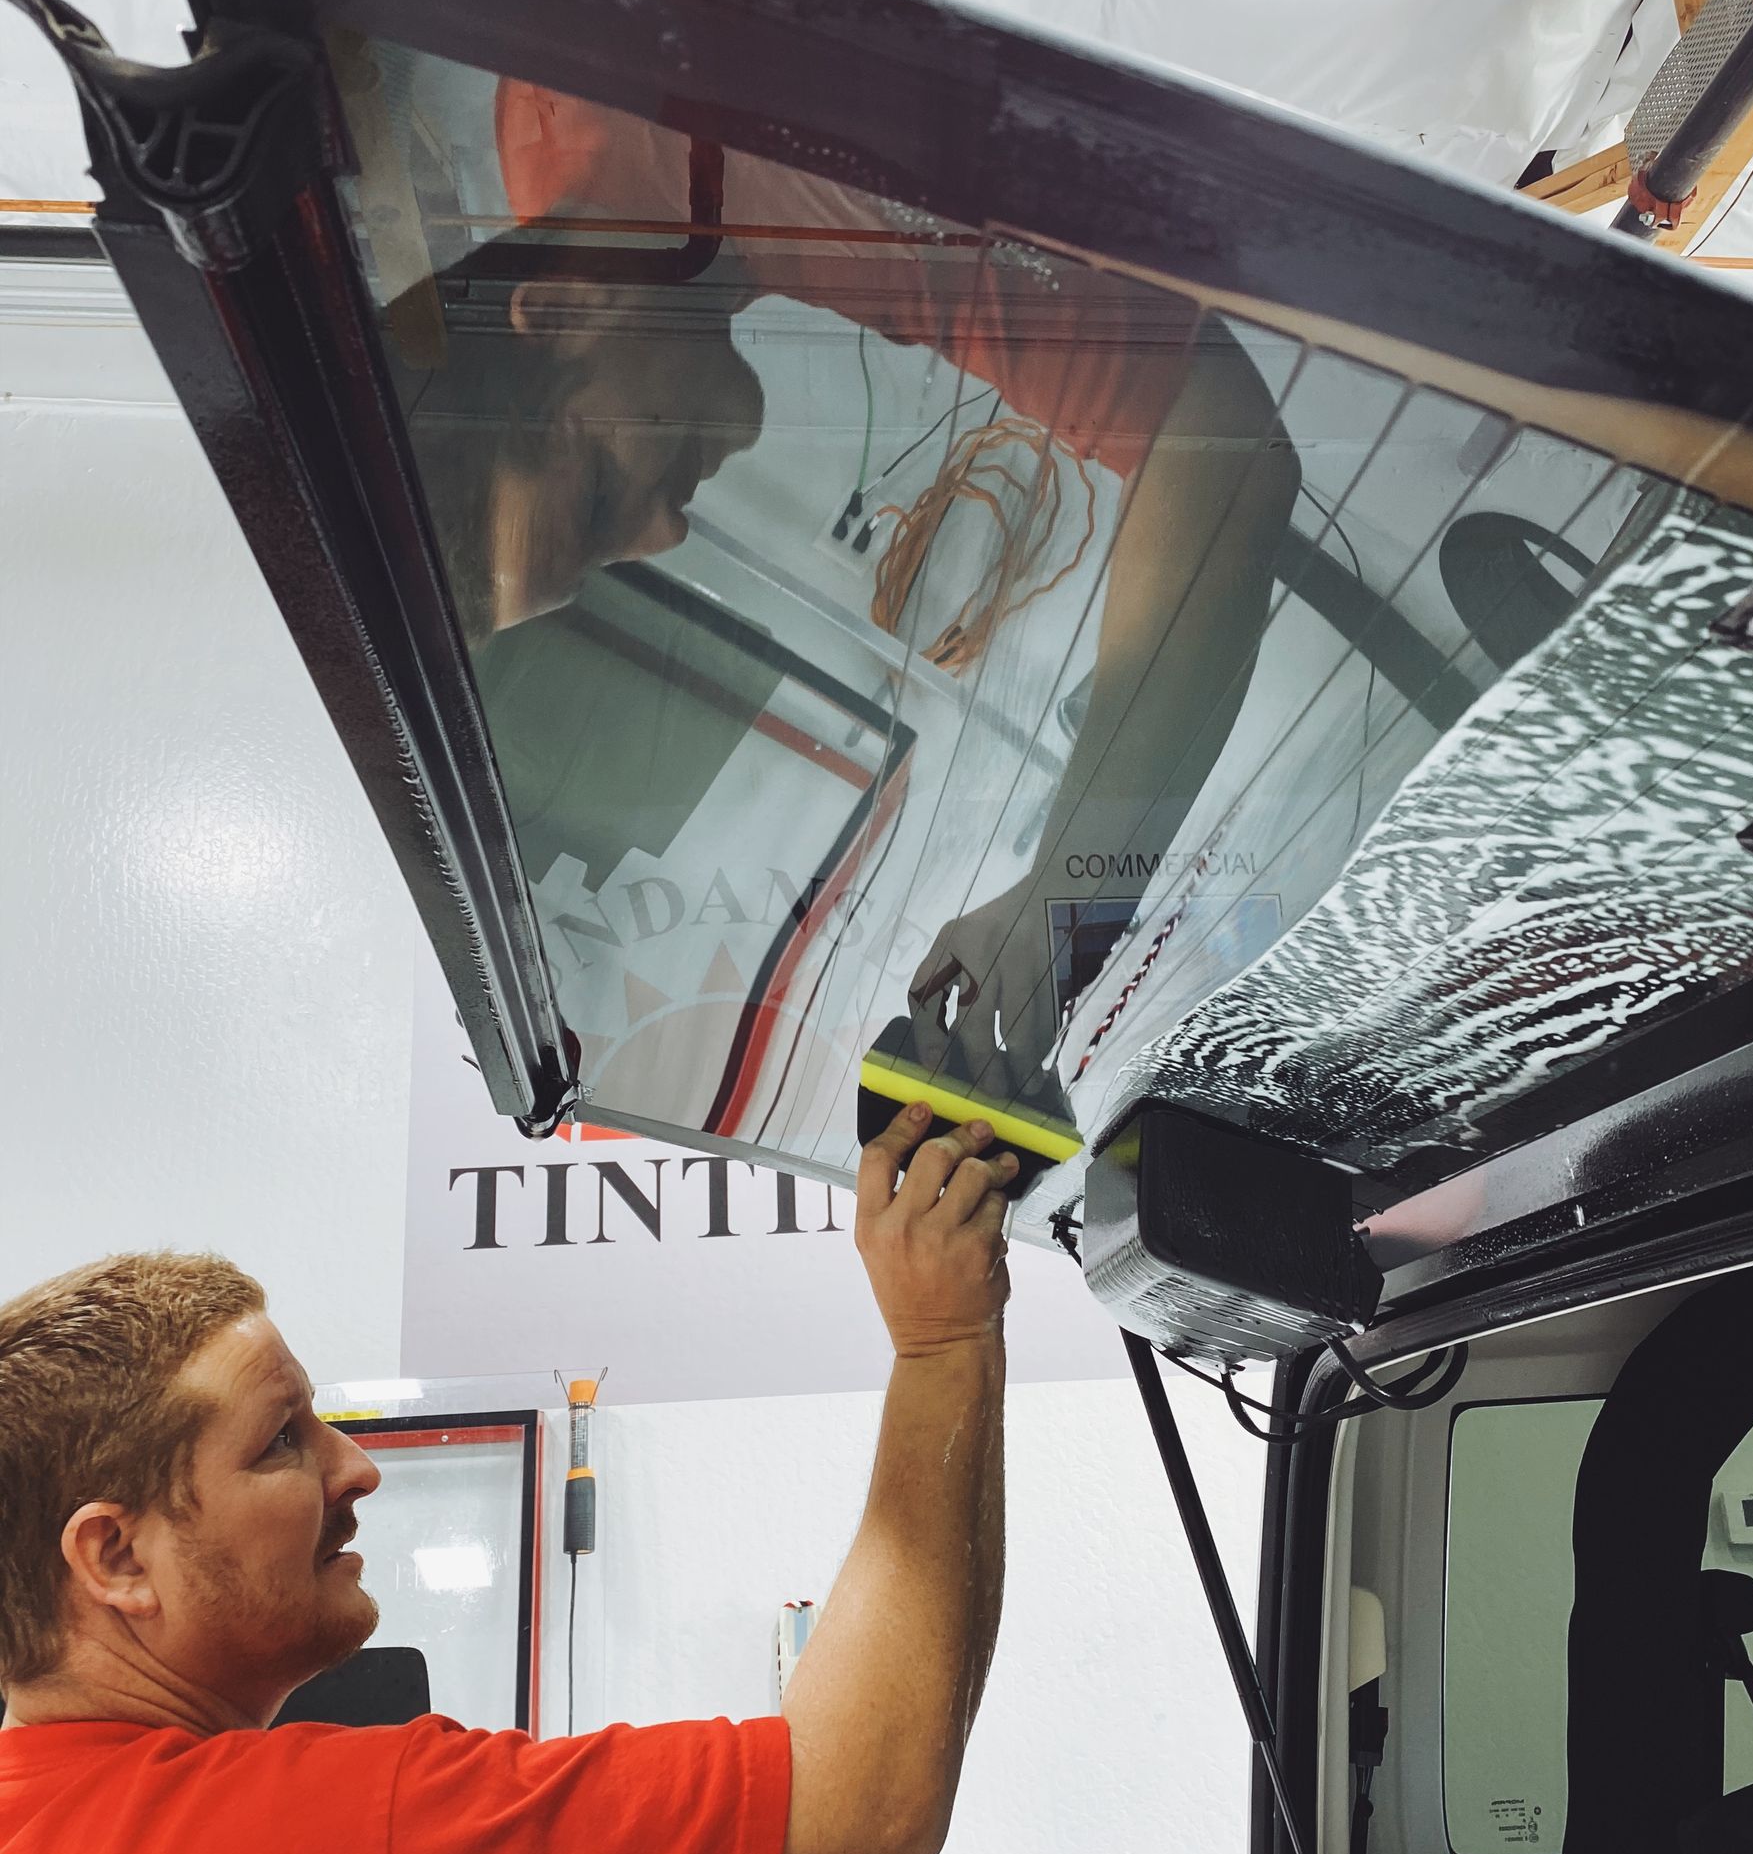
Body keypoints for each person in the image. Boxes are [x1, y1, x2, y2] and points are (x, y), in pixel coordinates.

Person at [0, 1103, 1016, 1854]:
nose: (357, 1468)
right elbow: (863, 1797)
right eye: (279, 1442)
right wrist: (944, 1344)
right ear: (116, 1557)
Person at [399, 84, 1301, 1117]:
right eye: (613, 551)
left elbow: (1222, 443)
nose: (665, 534)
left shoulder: (822, 216)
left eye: (600, 492)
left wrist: (1070, 905)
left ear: (559, 314)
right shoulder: (544, 132)